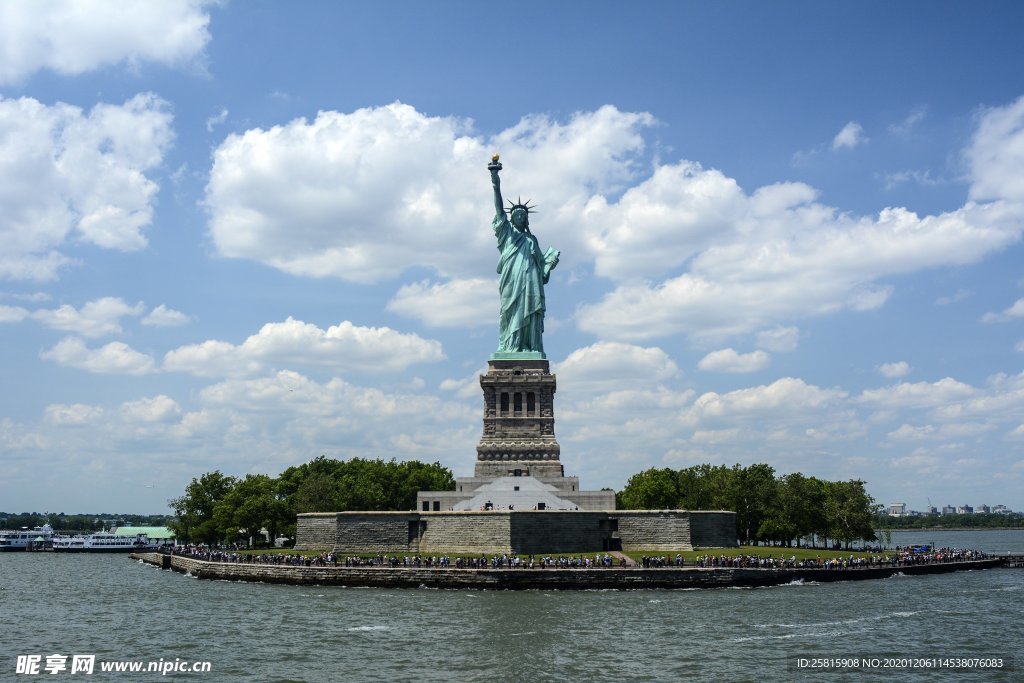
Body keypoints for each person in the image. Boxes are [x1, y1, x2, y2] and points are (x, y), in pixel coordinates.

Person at [488, 155, 559, 354]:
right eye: (516, 215)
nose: (519, 217)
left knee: (529, 312)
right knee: (510, 312)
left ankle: (528, 345)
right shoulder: (507, 234)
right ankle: (510, 346)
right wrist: (495, 181)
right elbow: (499, 208)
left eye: (523, 215)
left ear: (526, 219)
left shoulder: (531, 240)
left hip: (530, 281)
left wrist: (549, 264)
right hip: (512, 280)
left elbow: (541, 267)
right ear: (512, 218)